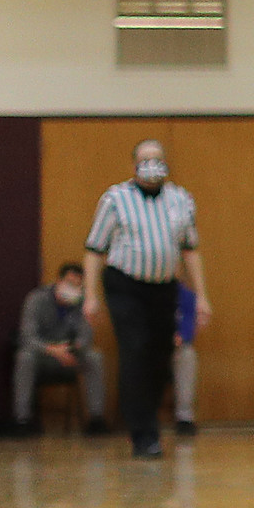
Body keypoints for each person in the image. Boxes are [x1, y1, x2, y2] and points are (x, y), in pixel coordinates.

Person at [82, 140, 213, 459]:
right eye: (145, 160)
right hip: (125, 284)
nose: (151, 165)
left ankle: (147, 420)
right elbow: (95, 248)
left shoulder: (181, 199)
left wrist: (201, 297)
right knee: (135, 350)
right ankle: (143, 434)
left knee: (160, 356)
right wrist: (90, 296)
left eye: (157, 160)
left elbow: (190, 249)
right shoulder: (115, 199)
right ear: (134, 166)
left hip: (164, 287)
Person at [15, 263, 108, 435]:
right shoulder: (36, 299)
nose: (73, 289)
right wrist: (52, 350)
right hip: (42, 355)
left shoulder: (81, 303)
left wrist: (73, 348)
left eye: (77, 285)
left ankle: (96, 419)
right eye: (70, 283)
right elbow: (27, 337)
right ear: (59, 281)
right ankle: (22, 420)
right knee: (24, 357)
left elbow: (85, 337)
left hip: (69, 355)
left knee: (94, 357)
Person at [172, 284, 200, 435]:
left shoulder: (186, 295)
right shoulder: (141, 292)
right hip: (149, 346)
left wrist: (180, 337)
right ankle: (141, 419)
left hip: (176, 347)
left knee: (187, 355)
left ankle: (185, 417)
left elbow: (188, 328)